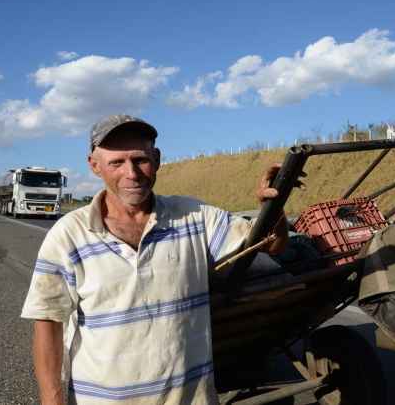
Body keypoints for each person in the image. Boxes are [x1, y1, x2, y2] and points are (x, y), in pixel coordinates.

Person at [21, 114, 289, 405]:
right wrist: (52, 399)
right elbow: (48, 320)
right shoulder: (68, 234)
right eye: (117, 162)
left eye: (140, 160)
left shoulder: (195, 217)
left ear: (157, 159)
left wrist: (273, 207)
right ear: (94, 166)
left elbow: (272, 244)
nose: (132, 173)